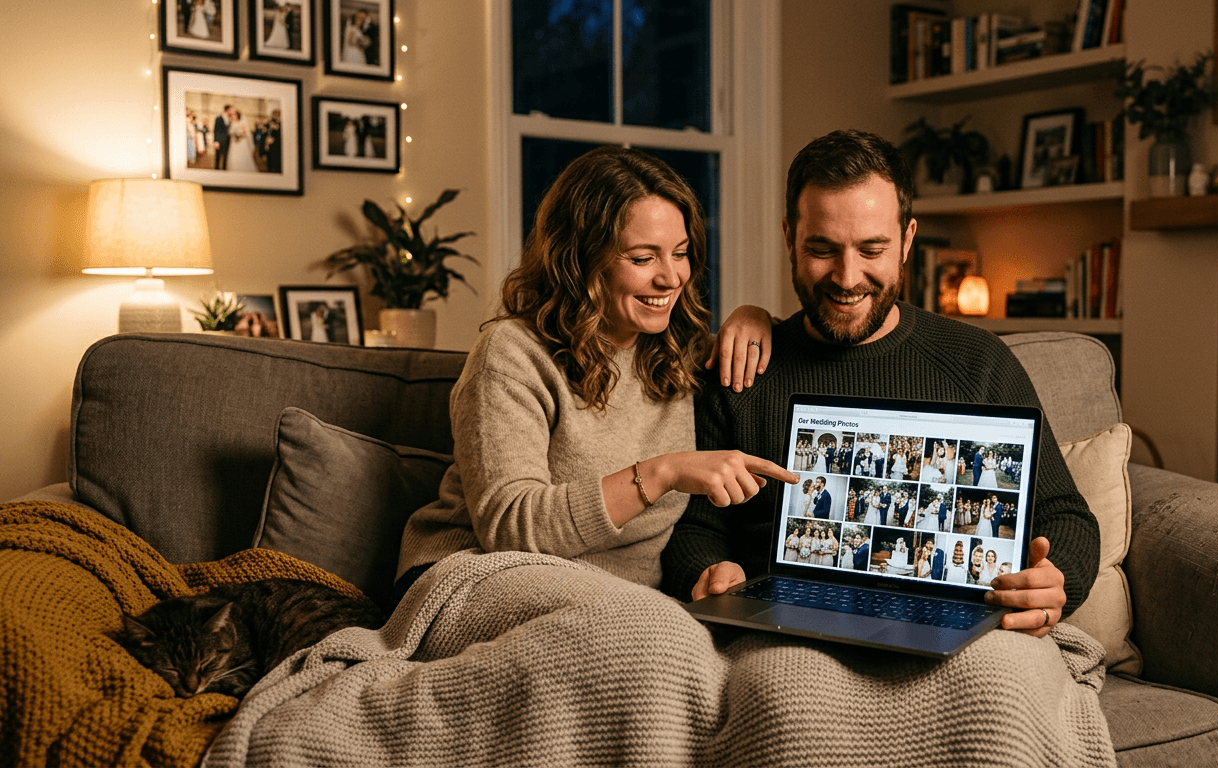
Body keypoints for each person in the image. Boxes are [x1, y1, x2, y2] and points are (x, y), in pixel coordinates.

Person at [662, 129, 1098, 640]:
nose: (848, 277)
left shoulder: (979, 362)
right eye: (822, 248)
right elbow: (692, 527)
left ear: (908, 240)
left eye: (872, 249)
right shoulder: (740, 369)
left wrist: (1053, 579)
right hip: (792, 631)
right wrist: (708, 571)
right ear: (789, 238)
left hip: (956, 623)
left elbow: (1066, 515)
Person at [395, 146, 793, 597]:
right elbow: (510, 528)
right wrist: (661, 473)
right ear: (579, 259)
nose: (671, 278)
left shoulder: (678, 353)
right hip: (477, 573)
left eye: (679, 253)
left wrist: (754, 315)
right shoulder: (511, 353)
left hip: (619, 597)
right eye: (643, 259)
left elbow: (787, 345)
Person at [212, 105, 233, 170]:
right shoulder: (219, 118)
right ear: (227, 110)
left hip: (227, 142)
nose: (232, 111)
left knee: (225, 159)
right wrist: (216, 141)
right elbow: (216, 130)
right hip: (219, 141)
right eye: (231, 110)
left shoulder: (230, 120)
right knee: (218, 158)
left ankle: (224, 171)